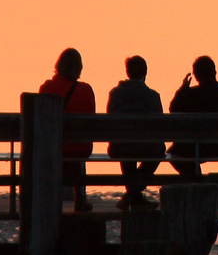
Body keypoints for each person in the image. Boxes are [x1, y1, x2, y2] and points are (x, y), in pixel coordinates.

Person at [37, 48, 96, 210]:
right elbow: (91, 117)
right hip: (80, 148)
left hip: (52, 147)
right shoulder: (85, 90)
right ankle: (80, 198)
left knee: (61, 146)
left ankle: (49, 198)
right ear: (78, 68)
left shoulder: (46, 88)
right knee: (76, 150)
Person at [106, 55, 163, 208]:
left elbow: (110, 121)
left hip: (120, 147)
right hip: (146, 148)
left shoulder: (115, 94)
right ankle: (134, 194)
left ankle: (132, 195)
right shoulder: (152, 96)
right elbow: (160, 126)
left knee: (125, 144)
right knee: (159, 149)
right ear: (145, 72)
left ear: (127, 72)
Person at [168, 55, 218, 179]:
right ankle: (196, 178)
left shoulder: (191, 95)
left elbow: (173, 109)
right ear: (214, 72)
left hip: (194, 148)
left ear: (196, 75)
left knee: (172, 152)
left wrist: (182, 90)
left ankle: (194, 177)